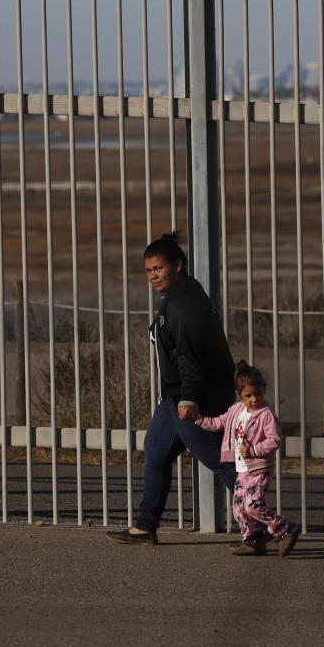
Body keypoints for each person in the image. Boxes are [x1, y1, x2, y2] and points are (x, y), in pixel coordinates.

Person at [108, 232, 238, 545]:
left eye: (159, 268)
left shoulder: (182, 304)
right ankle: (144, 526)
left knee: (220, 462)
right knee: (155, 451)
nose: (153, 275)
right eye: (148, 270)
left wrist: (190, 398)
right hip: (174, 398)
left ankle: (268, 524)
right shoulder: (182, 296)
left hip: (190, 395)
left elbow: (188, 356)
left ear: (177, 266)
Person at [197, 361, 300, 557]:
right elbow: (218, 422)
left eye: (258, 394)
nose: (254, 399)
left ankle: (285, 529)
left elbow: (274, 440)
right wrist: (198, 419)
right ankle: (253, 542)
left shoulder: (266, 415)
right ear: (239, 395)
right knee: (238, 508)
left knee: (253, 504)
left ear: (264, 391)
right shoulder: (236, 410)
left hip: (260, 467)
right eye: (248, 395)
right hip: (242, 469)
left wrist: (252, 450)